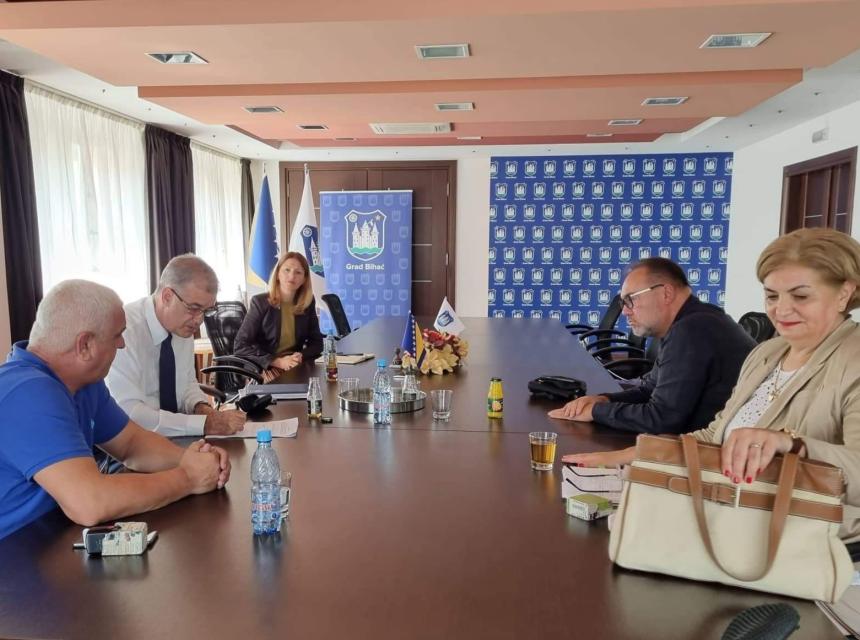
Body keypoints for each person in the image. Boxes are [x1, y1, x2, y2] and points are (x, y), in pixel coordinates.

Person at [565, 228, 860, 540]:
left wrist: (792, 445)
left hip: (799, 540)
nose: (781, 309)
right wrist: (627, 455)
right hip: (728, 515)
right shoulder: (767, 354)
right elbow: (713, 437)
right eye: (772, 296)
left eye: (800, 296)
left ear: (844, 292)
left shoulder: (853, 361)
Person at [0, 280, 231, 540]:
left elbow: (132, 444)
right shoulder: (26, 391)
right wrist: (188, 478)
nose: (121, 344)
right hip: (14, 551)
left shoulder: (84, 384)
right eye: (117, 335)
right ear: (85, 345)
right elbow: (90, 502)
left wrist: (192, 459)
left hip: (53, 539)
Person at [549, 257, 755, 434]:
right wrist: (603, 400)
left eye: (630, 299)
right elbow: (649, 390)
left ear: (666, 293)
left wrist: (595, 412)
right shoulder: (696, 320)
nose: (625, 311)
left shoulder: (693, 330)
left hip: (709, 457)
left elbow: (661, 419)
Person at [106, 254, 245, 437]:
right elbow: (129, 413)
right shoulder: (124, 331)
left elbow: (186, 385)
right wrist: (203, 424)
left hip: (176, 438)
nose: (199, 320)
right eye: (194, 308)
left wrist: (203, 409)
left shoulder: (182, 326)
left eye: (206, 311)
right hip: (132, 443)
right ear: (167, 296)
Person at [234, 251, 324, 382]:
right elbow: (240, 345)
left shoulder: (307, 303)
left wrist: (300, 356)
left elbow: (317, 343)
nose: (292, 276)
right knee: (295, 390)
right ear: (277, 274)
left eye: (298, 272)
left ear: (304, 279)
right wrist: (277, 362)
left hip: (293, 365)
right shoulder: (260, 302)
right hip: (265, 367)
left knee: (321, 384)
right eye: (287, 270)